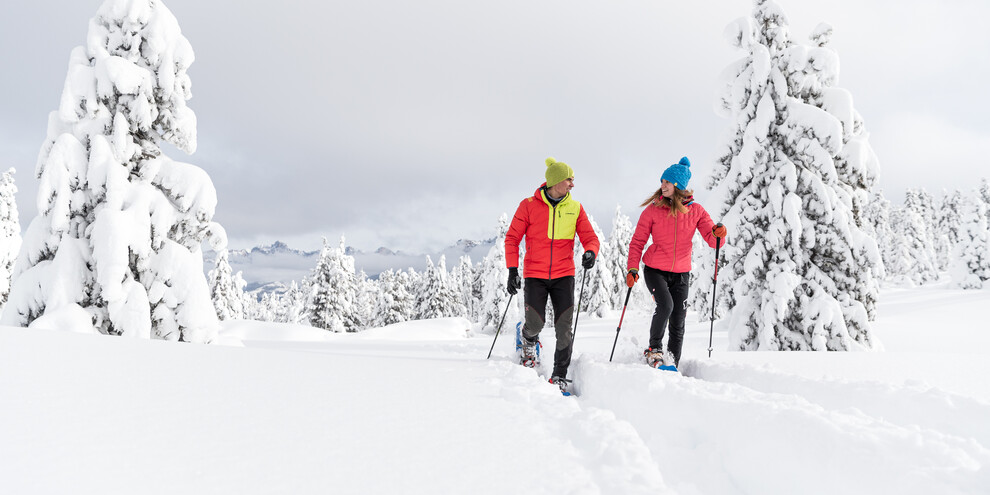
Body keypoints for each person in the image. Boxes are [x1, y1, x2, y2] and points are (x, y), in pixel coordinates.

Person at [505, 157, 600, 391]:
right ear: (556, 181)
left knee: (564, 328)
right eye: (569, 179)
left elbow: (590, 237)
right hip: (535, 275)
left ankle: (559, 375)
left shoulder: (575, 208)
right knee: (535, 324)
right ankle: (528, 340)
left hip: (563, 275)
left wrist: (590, 251)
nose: (572, 184)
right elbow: (512, 239)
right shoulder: (528, 205)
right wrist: (512, 270)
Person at [626, 156, 727, 369]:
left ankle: (672, 361)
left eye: (666, 182)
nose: (662, 186)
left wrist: (719, 234)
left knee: (679, 320)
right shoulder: (653, 210)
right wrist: (632, 268)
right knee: (666, 305)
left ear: (678, 186)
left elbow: (712, 240)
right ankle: (654, 350)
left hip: (681, 273)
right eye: (662, 182)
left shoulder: (696, 211)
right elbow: (637, 242)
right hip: (655, 270)